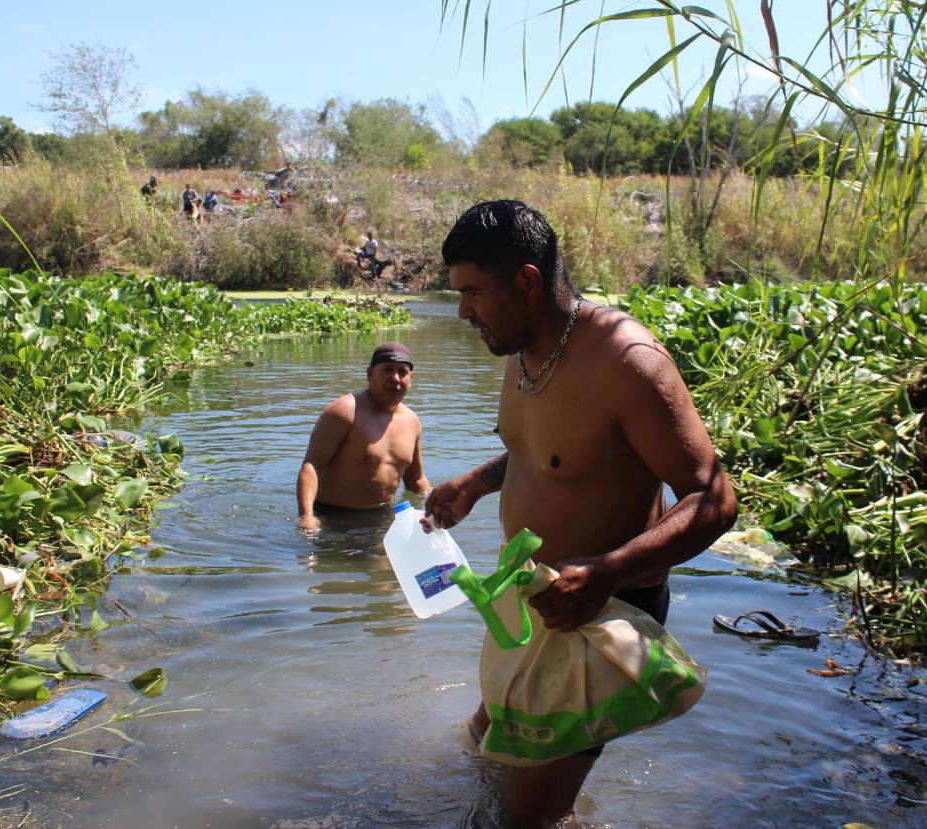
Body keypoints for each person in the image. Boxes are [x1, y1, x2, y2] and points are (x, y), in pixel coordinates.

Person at [424, 200, 737, 829]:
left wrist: (609, 572)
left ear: (529, 282)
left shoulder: (627, 362)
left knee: (530, 820)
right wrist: (477, 484)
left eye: (472, 293)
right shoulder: (518, 350)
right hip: (531, 599)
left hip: (595, 614)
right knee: (481, 748)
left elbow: (715, 498)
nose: (462, 311)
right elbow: (549, 456)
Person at [296, 343, 432, 532]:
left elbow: (416, 481)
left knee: (387, 562)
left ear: (411, 379)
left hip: (382, 516)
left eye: (402, 372)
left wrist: (440, 504)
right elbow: (312, 465)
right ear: (370, 374)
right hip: (332, 516)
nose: (395, 378)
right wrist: (307, 517)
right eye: (387, 370)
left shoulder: (412, 422)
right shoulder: (345, 411)